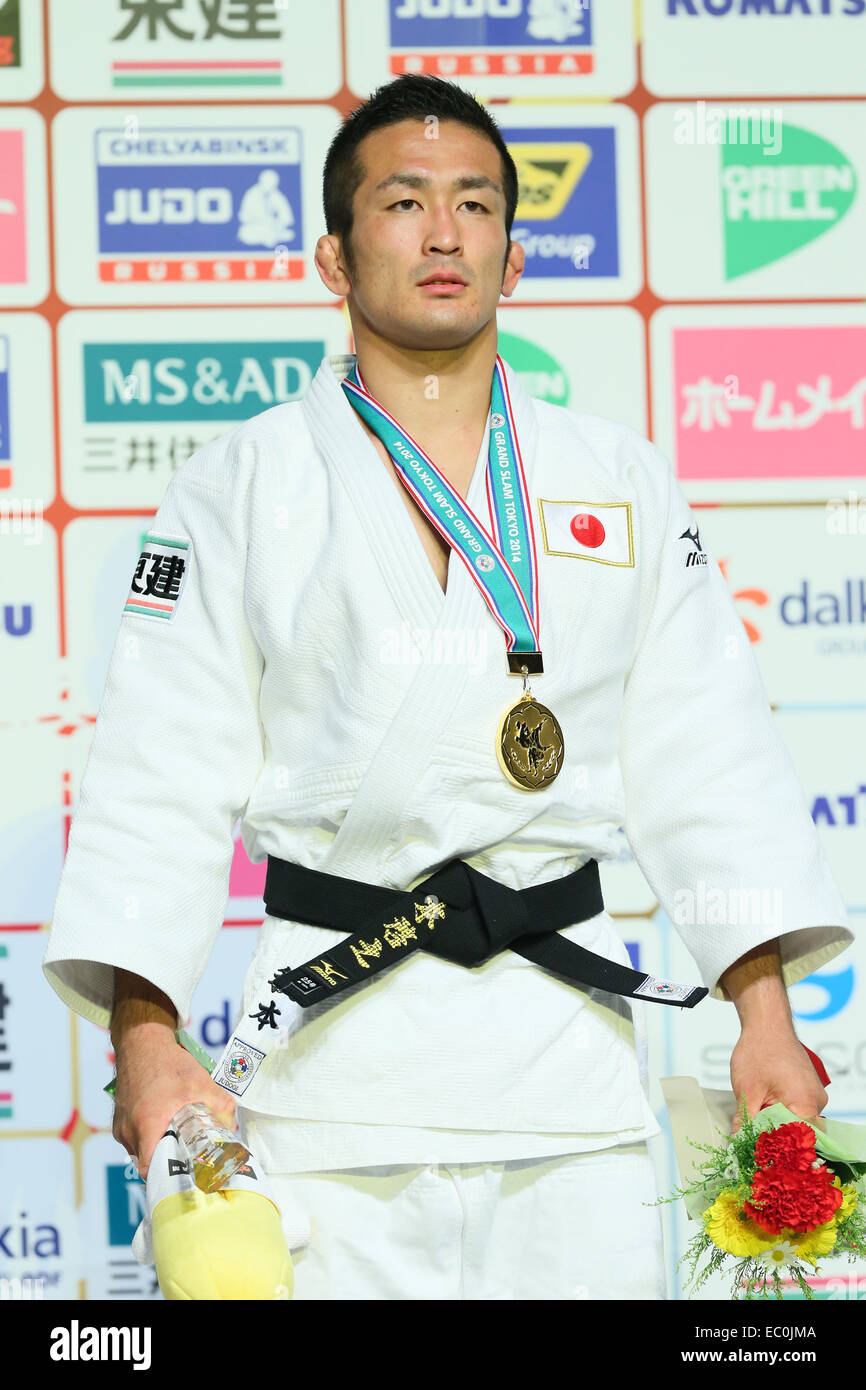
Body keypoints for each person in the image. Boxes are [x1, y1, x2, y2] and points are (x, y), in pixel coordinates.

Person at [43, 75, 853, 1301]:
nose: (440, 232)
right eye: (402, 200)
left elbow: (709, 763)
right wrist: (145, 1049)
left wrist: (761, 1013)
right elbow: (156, 783)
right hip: (327, 1091)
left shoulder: (619, 480)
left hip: (566, 1092)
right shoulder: (241, 487)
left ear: (512, 255)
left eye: (474, 203)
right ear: (332, 250)